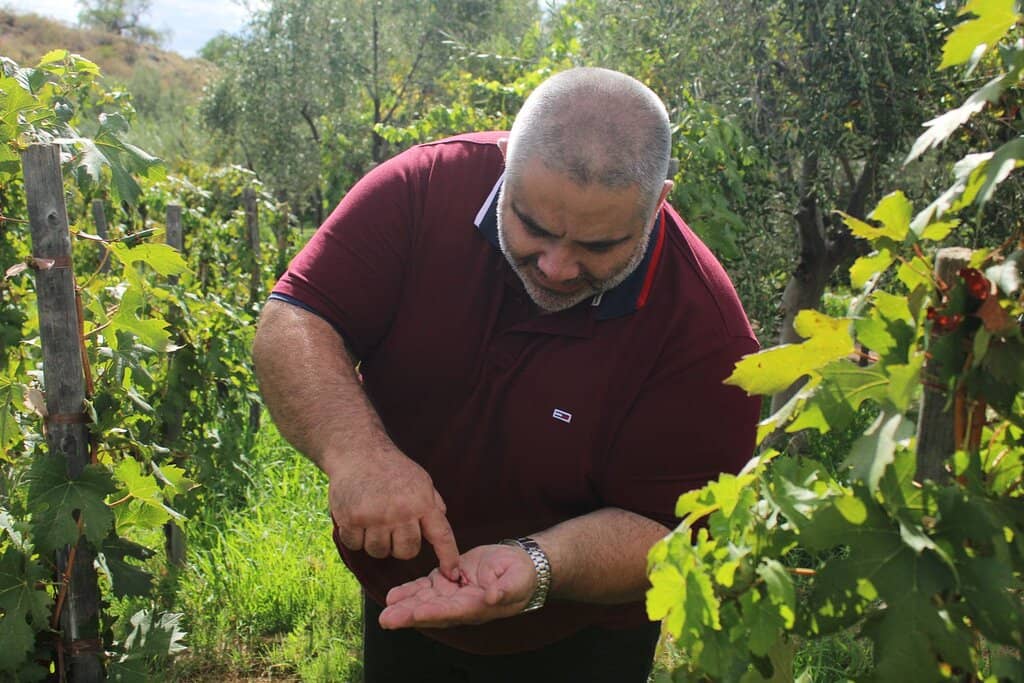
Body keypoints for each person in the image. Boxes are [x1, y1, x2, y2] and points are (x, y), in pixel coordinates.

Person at [252, 67, 760, 682]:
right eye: (533, 226)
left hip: (584, 635)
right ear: (505, 164)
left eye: (599, 246)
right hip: (403, 597)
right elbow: (297, 317)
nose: (557, 267)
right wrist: (358, 455)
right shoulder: (423, 187)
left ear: (658, 203)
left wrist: (539, 565)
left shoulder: (705, 333)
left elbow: (672, 530)